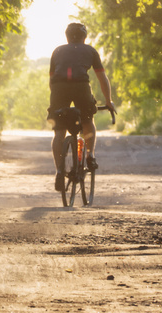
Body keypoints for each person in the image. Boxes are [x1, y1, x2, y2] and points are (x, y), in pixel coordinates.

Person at [48, 22, 115, 192]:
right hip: (80, 86)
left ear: (67, 37)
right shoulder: (90, 51)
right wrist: (108, 101)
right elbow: (102, 78)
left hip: (58, 88)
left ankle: (59, 171)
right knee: (87, 120)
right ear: (84, 37)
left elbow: (52, 79)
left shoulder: (57, 51)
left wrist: (57, 100)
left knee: (59, 132)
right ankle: (90, 155)